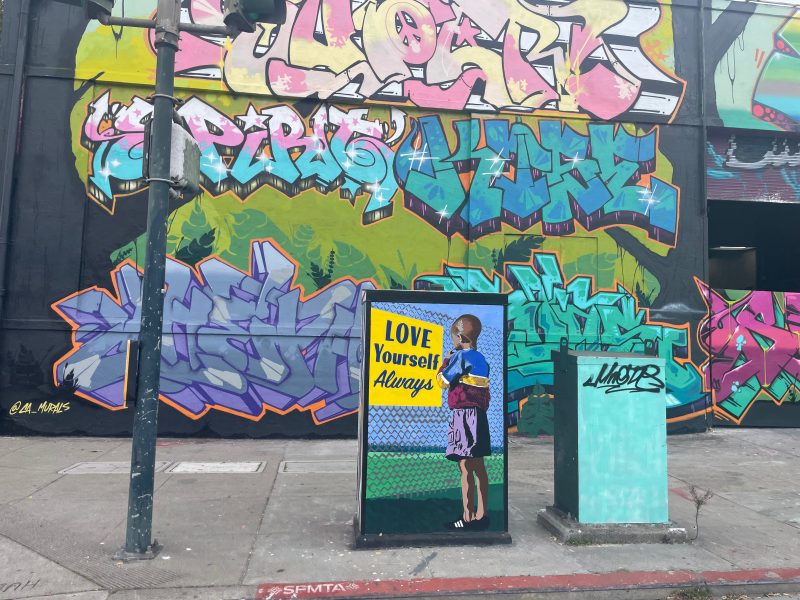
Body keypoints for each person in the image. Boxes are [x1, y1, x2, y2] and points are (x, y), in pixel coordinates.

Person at [436, 314, 491, 531]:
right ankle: (481, 514)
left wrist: (445, 362)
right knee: (479, 466)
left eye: (453, 337)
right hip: (479, 416)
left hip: (463, 415)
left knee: (465, 466)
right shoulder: (481, 359)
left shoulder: (459, 358)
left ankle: (467, 518)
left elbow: (442, 381)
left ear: (459, 336)